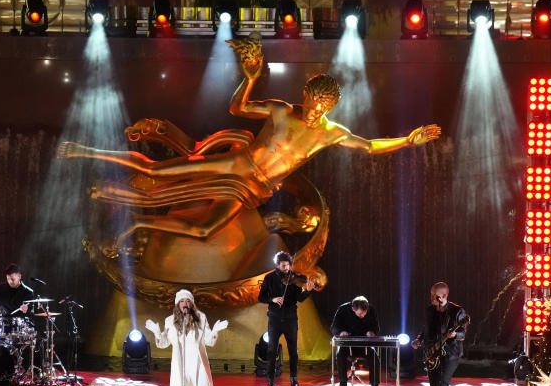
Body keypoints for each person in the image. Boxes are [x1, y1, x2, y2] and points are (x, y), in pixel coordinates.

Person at [57, 36, 440, 246]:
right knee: (160, 170)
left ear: (331, 105)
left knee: (206, 231)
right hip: (238, 164)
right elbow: (237, 107)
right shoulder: (279, 110)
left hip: (256, 190)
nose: (315, 107)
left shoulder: (331, 133)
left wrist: (407, 140)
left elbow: (370, 146)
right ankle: (84, 151)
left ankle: (138, 225)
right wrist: (252, 76)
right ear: (305, 94)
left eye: (324, 103)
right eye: (313, 98)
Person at [145, 290, 227, 386]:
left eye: (188, 301)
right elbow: (163, 343)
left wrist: (214, 332)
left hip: (198, 363)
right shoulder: (170, 320)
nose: (185, 304)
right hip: (180, 364)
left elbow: (208, 340)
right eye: (182, 301)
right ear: (178, 304)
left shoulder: (201, 317)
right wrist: (157, 333)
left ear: (192, 304)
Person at [258, 251, 316, 386]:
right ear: (277, 265)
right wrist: (273, 299)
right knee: (271, 351)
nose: (286, 269)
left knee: (293, 352)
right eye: (283, 266)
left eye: (288, 265)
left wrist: (307, 291)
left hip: (290, 319)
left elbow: (299, 299)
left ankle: (294, 379)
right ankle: (270, 381)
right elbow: (261, 297)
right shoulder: (269, 278)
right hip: (275, 319)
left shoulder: (295, 277)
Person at [411, 282, 469, 386]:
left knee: (442, 385)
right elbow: (425, 329)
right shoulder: (430, 310)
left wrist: (454, 335)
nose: (431, 297)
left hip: (450, 353)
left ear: (444, 296)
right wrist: (418, 340)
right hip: (432, 351)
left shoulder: (457, 311)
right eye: (431, 294)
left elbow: (463, 333)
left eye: (434, 295)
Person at [330, 296, 381, 386]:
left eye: (364, 313)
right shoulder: (343, 309)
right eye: (360, 314)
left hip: (364, 345)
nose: (362, 316)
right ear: (353, 309)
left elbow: (376, 327)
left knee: (374, 357)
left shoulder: (372, 310)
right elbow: (334, 327)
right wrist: (341, 332)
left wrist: (372, 332)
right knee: (340, 354)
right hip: (348, 345)